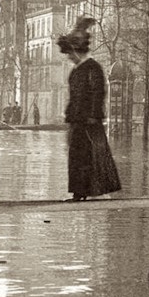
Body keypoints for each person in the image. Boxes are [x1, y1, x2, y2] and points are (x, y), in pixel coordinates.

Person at [59, 16, 121, 201]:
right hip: (78, 121)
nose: (69, 57)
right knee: (77, 157)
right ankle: (79, 192)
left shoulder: (93, 68)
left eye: (70, 53)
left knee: (90, 157)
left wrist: (93, 116)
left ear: (77, 51)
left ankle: (84, 192)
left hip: (89, 122)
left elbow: (98, 93)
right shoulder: (77, 70)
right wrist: (70, 116)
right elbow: (74, 97)